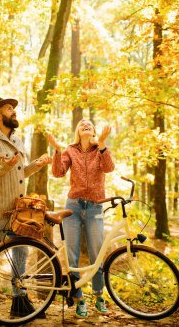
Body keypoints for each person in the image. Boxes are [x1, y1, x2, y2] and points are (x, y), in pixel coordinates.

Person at [0, 97, 52, 318]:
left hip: (19, 210)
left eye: (14, 109)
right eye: (9, 109)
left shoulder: (16, 140)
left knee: (21, 252)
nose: (14, 112)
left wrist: (35, 165)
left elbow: (18, 173)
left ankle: (19, 302)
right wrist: (2, 167)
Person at [48, 119, 115, 318]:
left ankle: (98, 295)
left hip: (94, 207)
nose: (86, 125)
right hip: (73, 207)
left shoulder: (99, 149)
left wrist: (102, 143)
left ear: (93, 131)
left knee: (97, 252)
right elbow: (58, 172)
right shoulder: (70, 150)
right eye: (82, 124)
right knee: (72, 254)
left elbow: (109, 167)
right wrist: (57, 150)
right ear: (78, 131)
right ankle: (78, 298)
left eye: (90, 124)